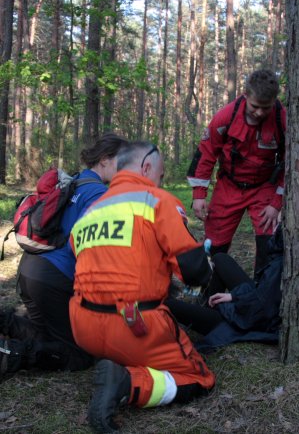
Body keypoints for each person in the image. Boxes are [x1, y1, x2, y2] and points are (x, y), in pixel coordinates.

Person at [69, 141, 215, 433]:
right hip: (133, 325)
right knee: (199, 378)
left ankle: (114, 362)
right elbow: (195, 271)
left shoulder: (89, 212)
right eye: (160, 175)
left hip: (82, 327)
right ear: (147, 167)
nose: (160, 181)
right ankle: (128, 383)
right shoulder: (157, 200)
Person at [0, 134, 128, 377]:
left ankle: (4, 322)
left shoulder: (74, 181)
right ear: (104, 160)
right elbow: (93, 249)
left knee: (44, 334)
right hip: (52, 279)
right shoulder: (99, 194)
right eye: (122, 161)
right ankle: (10, 354)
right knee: (79, 355)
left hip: (30, 269)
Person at [187, 69, 286, 276]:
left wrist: (276, 203)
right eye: (255, 106)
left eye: (265, 108)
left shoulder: (282, 119)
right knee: (215, 242)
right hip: (229, 186)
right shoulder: (226, 117)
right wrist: (198, 195)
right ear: (245, 95)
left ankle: (262, 294)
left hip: (264, 187)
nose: (259, 113)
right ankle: (210, 293)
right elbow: (206, 154)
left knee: (269, 239)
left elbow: (291, 164)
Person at [166, 223, 283, 349]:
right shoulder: (281, 258)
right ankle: (209, 309)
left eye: (278, 224)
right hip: (254, 304)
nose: (275, 226)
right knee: (221, 259)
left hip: (248, 322)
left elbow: (259, 311)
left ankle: (211, 318)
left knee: (168, 304)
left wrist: (231, 302)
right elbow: (263, 292)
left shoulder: (280, 266)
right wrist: (233, 296)